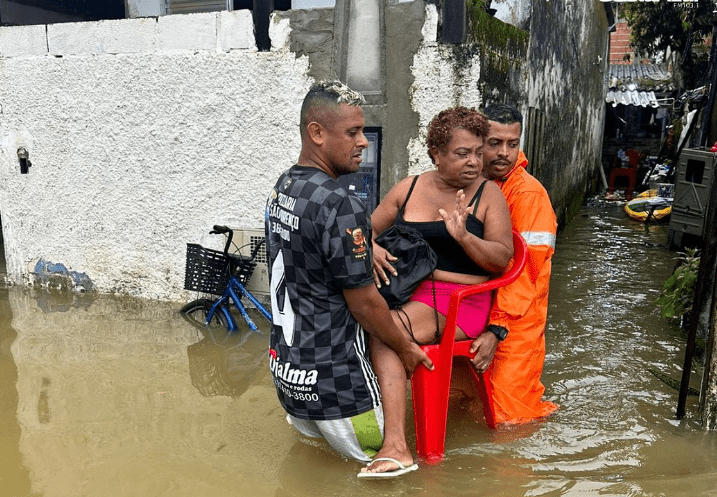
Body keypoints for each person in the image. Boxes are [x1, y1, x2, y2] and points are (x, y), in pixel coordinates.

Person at [264, 80, 433, 478]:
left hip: (290, 380)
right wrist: (406, 347)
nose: (363, 143)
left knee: (313, 477)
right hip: (340, 390)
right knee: (398, 475)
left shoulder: (284, 186)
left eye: (363, 131)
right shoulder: (342, 204)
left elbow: (305, 257)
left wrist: (362, 246)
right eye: (352, 132)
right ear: (317, 133)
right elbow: (365, 304)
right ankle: (398, 450)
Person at [365, 106, 513, 474]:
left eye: (479, 153)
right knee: (357, 320)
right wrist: (372, 248)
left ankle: (397, 446)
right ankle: (359, 423)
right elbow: (364, 229)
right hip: (408, 294)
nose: (474, 163)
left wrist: (464, 238)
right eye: (462, 153)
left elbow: (503, 260)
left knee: (387, 333)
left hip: (462, 301)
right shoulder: (409, 187)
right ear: (437, 153)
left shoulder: (488, 194)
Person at [467, 103, 559, 424]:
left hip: (516, 328)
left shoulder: (530, 196)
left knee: (511, 422)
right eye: (495, 143)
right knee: (465, 412)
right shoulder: (469, 184)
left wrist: (496, 329)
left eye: (513, 143)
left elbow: (525, 272)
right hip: (477, 316)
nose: (504, 153)